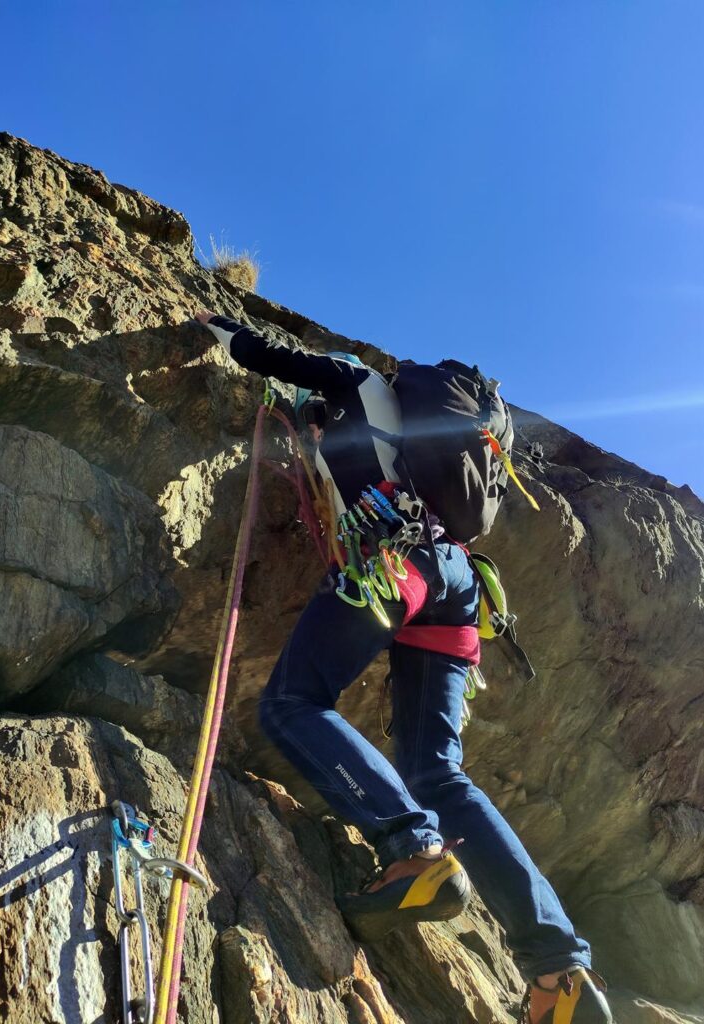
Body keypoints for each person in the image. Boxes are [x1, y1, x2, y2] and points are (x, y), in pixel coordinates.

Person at [195, 309, 612, 1024]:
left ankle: (413, 850)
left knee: (293, 702)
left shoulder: (354, 379)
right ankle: (558, 970)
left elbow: (260, 352)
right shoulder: (442, 447)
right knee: (438, 773)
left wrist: (213, 322)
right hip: (456, 584)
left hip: (397, 562)